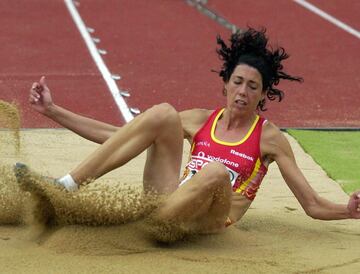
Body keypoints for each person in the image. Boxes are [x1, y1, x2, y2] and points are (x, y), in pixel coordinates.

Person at [16, 28, 360, 238]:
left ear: (263, 94)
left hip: (210, 223)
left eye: (252, 86)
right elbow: (119, 137)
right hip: (169, 204)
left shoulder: (270, 138)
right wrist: (53, 111)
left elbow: (311, 204)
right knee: (163, 113)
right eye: (237, 82)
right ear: (225, 84)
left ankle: (138, 224)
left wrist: (349, 210)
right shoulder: (199, 119)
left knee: (213, 172)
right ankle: (65, 186)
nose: (242, 91)